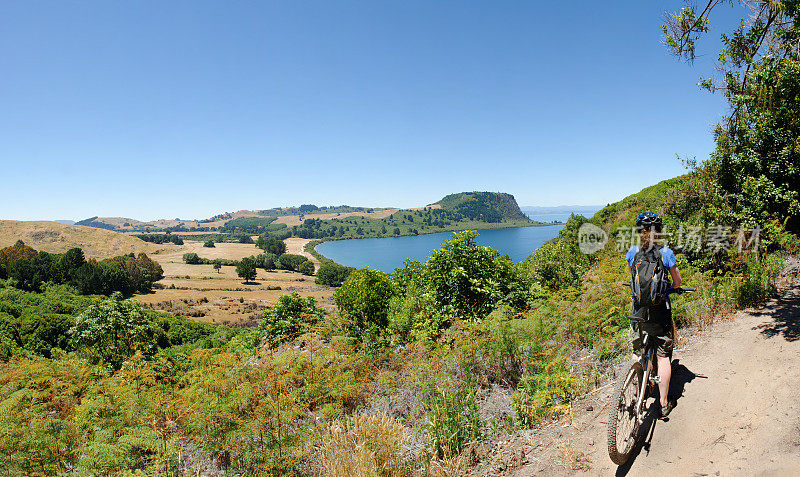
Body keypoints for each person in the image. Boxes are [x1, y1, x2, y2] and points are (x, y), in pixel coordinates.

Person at [626, 211, 682, 418]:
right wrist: (672, 287)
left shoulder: (632, 252)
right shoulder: (666, 253)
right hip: (660, 312)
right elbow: (677, 282)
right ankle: (664, 403)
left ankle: (633, 392)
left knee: (638, 349)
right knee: (663, 356)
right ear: (659, 231)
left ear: (639, 232)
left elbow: (633, 278)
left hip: (639, 310)